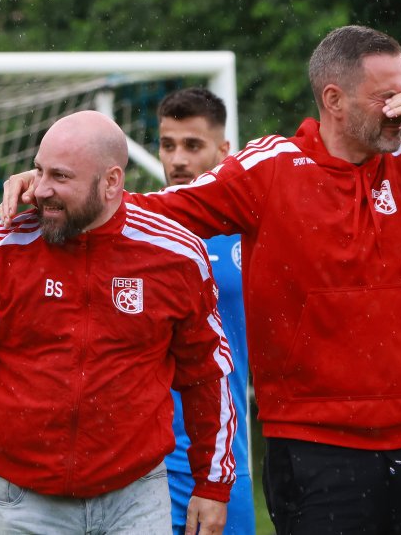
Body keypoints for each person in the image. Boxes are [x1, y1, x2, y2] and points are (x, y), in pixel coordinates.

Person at [1, 24, 401, 534]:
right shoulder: (271, 169)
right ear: (333, 99)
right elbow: (149, 213)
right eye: (386, 97)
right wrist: (57, 187)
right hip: (314, 447)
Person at [0, 111, 237, 535]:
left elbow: (207, 374)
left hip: (137, 496)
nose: (41, 189)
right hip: (23, 501)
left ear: (111, 182)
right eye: (38, 170)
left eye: (60, 176)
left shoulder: (175, 255)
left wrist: (213, 484)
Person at [157, 88, 254, 535]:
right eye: (167, 144)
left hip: (224, 461)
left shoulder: (251, 234)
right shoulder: (134, 230)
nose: (177, 159)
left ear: (222, 150)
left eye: (192, 146)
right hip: (144, 467)